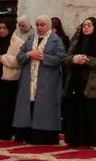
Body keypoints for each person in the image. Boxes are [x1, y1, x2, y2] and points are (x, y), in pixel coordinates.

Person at [13, 14, 66, 145]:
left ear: (48, 26)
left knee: (44, 108)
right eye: (37, 25)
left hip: (47, 81)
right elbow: (19, 57)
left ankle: (43, 136)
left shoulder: (56, 40)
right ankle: (26, 134)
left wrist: (43, 57)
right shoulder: (31, 39)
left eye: (42, 25)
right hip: (29, 79)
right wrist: (29, 54)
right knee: (27, 106)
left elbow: (61, 58)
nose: (39, 27)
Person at [61, 17, 96, 147]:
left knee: (92, 112)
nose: (86, 28)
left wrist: (89, 60)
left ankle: (93, 140)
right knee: (76, 111)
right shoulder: (76, 42)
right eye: (84, 26)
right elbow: (65, 59)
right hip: (76, 81)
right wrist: (74, 59)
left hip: (93, 83)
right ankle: (75, 139)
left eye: (89, 25)